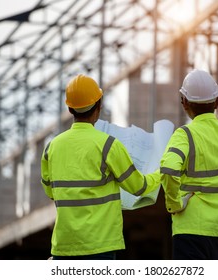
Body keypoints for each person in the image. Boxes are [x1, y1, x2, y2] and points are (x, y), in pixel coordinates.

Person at [41, 74, 160, 260]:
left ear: (70, 108)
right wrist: (160, 172)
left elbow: (51, 192)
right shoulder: (108, 145)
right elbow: (138, 187)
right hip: (100, 246)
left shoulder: (52, 147)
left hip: (64, 246)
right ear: (99, 105)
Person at [159, 58, 218, 260]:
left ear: (184, 103)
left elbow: (169, 170)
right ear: (217, 102)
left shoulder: (184, 135)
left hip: (189, 230)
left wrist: (174, 204)